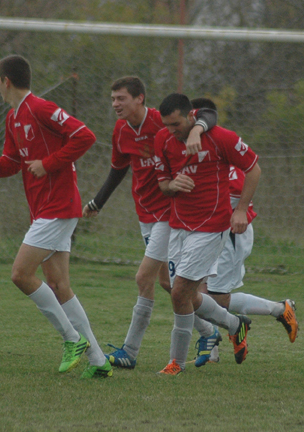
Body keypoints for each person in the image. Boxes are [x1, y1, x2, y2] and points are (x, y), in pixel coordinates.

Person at [0, 55, 111, 378]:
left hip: (58, 206)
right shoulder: (14, 118)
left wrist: (49, 163)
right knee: (59, 284)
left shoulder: (40, 108)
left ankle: (72, 339)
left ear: (6, 81)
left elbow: (85, 135)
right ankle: (98, 361)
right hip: (46, 209)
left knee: (20, 274)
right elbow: (12, 162)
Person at [81, 77, 218, 369]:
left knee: (144, 279)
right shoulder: (121, 130)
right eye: (113, 99)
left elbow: (207, 114)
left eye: (121, 98)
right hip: (146, 215)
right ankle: (210, 330)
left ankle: (129, 352)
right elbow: (118, 170)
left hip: (169, 214)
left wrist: (197, 130)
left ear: (140, 98)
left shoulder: (161, 119)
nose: (115, 104)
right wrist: (98, 202)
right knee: (170, 284)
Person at [155, 93, 261, 375]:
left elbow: (253, 169)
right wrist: (173, 184)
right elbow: (162, 183)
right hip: (179, 227)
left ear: (192, 116)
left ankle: (175, 363)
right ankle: (235, 324)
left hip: (211, 227)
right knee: (187, 295)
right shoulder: (163, 140)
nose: (171, 130)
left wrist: (240, 210)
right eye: (166, 125)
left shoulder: (221, 138)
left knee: (179, 293)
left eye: (175, 124)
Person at [188, 97, 299, 367]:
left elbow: (242, 181)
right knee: (194, 292)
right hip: (207, 233)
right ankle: (214, 349)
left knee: (214, 298)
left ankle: (274, 311)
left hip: (230, 234)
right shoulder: (191, 149)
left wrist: (237, 209)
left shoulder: (222, 149)